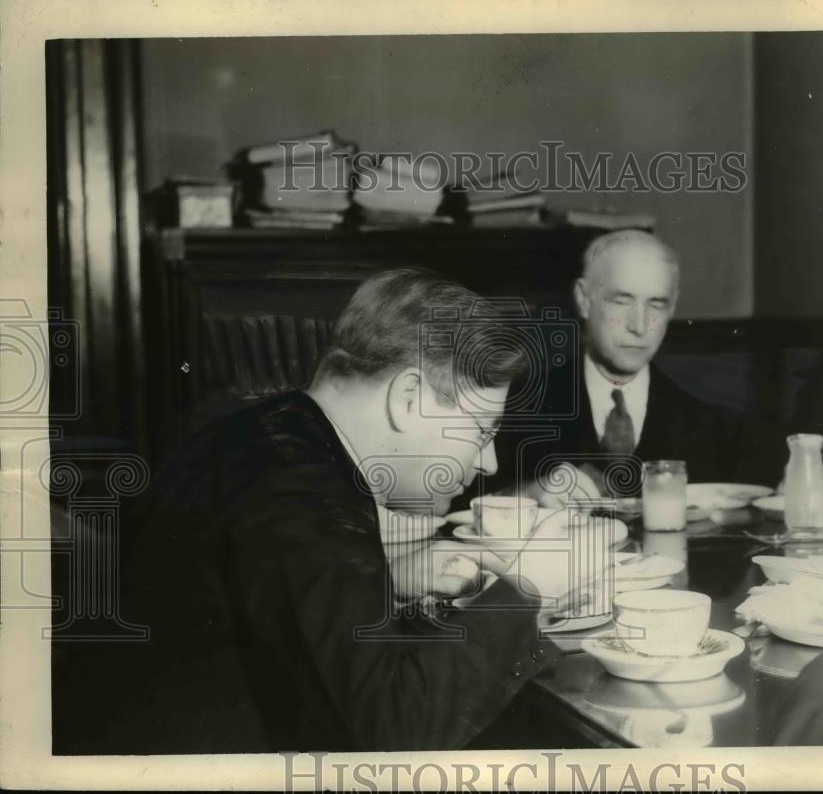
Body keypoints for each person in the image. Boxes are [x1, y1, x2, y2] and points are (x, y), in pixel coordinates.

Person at [87, 269, 584, 754]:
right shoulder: (298, 494)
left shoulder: (263, 434)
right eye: (481, 431)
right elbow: (392, 729)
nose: (488, 462)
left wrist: (382, 578)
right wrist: (526, 590)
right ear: (409, 398)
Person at [483, 229, 778, 505]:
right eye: (621, 301)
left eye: (656, 304)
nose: (639, 326)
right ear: (584, 300)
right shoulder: (515, 408)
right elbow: (456, 511)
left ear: (673, 307)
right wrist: (526, 497)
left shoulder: (717, 421)